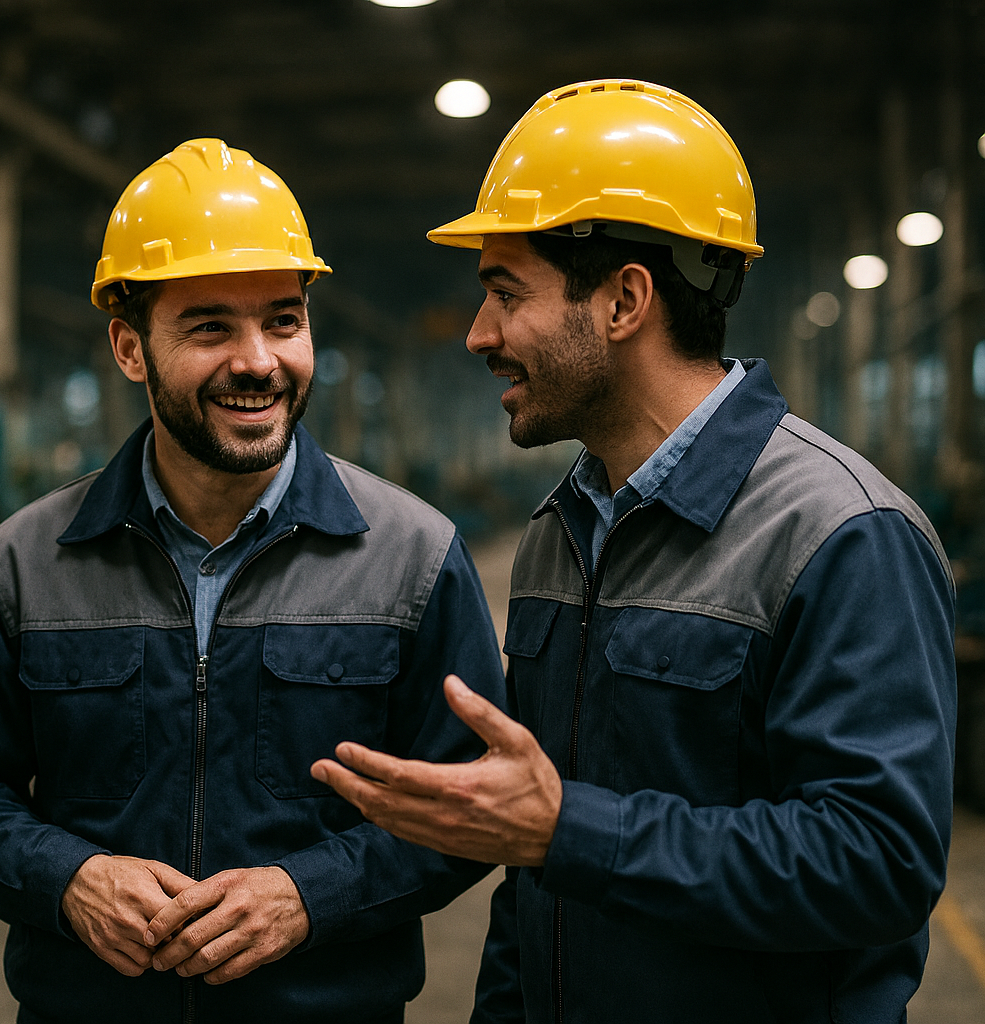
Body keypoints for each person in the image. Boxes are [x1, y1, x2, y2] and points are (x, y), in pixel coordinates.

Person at [313, 78, 957, 1023]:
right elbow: (534, 879)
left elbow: (878, 863)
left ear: (623, 300)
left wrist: (569, 827)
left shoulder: (842, 534)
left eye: (504, 294)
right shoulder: (558, 533)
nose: (478, 334)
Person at [0, 138, 505, 1023]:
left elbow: (468, 809)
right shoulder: (25, 563)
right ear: (130, 348)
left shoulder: (413, 555)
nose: (259, 361)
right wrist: (68, 878)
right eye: (210, 327)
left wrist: (313, 895)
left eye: (283, 320)